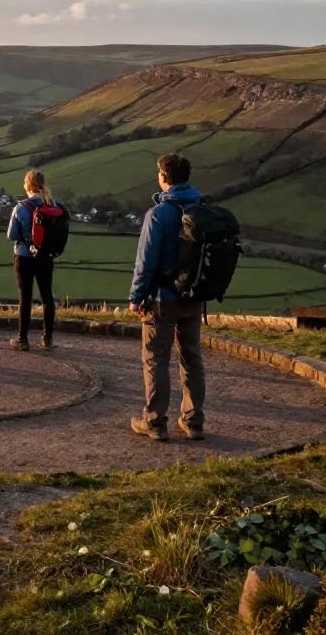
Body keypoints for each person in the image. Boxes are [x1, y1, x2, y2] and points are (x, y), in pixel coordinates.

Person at [128, 153, 206, 442]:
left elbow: (145, 261)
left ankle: (155, 422)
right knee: (192, 359)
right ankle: (194, 421)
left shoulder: (159, 214)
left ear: (164, 177)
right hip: (196, 296)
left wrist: (136, 297)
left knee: (156, 359)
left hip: (163, 298)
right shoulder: (202, 208)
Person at [6, 170, 58, 350]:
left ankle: (22, 339)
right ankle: (48, 339)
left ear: (27, 186)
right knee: (47, 297)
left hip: (24, 256)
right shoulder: (53, 204)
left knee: (25, 297)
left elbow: (12, 235)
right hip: (45, 257)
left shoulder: (21, 207)